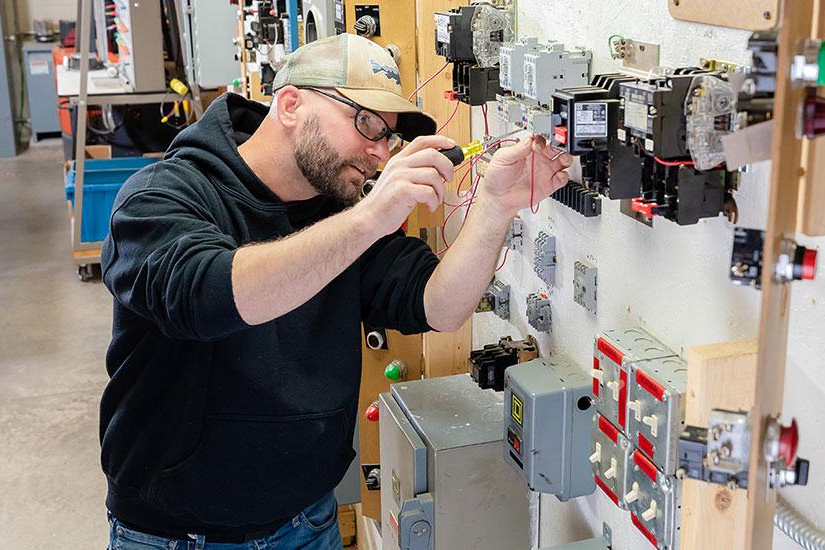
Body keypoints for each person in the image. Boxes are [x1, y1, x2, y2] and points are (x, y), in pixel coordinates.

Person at [98, 33, 572, 549]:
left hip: (308, 522)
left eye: (388, 135)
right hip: (176, 536)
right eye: (365, 122)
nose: (379, 151)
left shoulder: (341, 214)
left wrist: (496, 205)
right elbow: (211, 296)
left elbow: (439, 305)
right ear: (291, 104)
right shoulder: (161, 197)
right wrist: (368, 219)